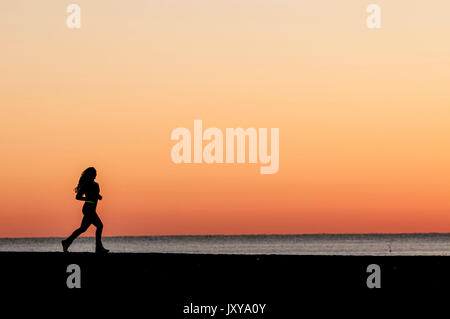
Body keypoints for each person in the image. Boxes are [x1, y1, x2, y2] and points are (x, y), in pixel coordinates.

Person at [62, 167, 109, 253]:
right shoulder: (88, 185)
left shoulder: (94, 184)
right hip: (89, 208)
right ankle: (98, 248)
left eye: (96, 173)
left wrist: (98, 196)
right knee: (99, 226)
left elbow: (94, 194)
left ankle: (66, 242)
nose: (96, 175)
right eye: (94, 173)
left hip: (89, 208)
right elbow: (78, 197)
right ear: (91, 174)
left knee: (82, 229)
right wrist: (88, 198)